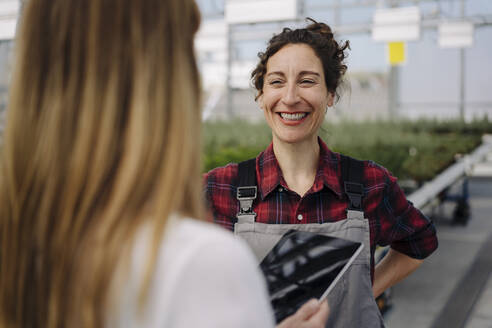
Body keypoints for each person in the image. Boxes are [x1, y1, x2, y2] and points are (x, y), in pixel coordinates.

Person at [0, 1, 328, 328]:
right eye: (187, 50)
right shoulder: (199, 261)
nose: (290, 97)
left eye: (308, 81)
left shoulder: (22, 249)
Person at [204, 19, 438, 328]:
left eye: (307, 81)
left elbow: (419, 242)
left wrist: (369, 288)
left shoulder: (369, 183)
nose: (289, 98)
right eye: (276, 82)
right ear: (260, 96)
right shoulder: (221, 189)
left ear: (330, 94)